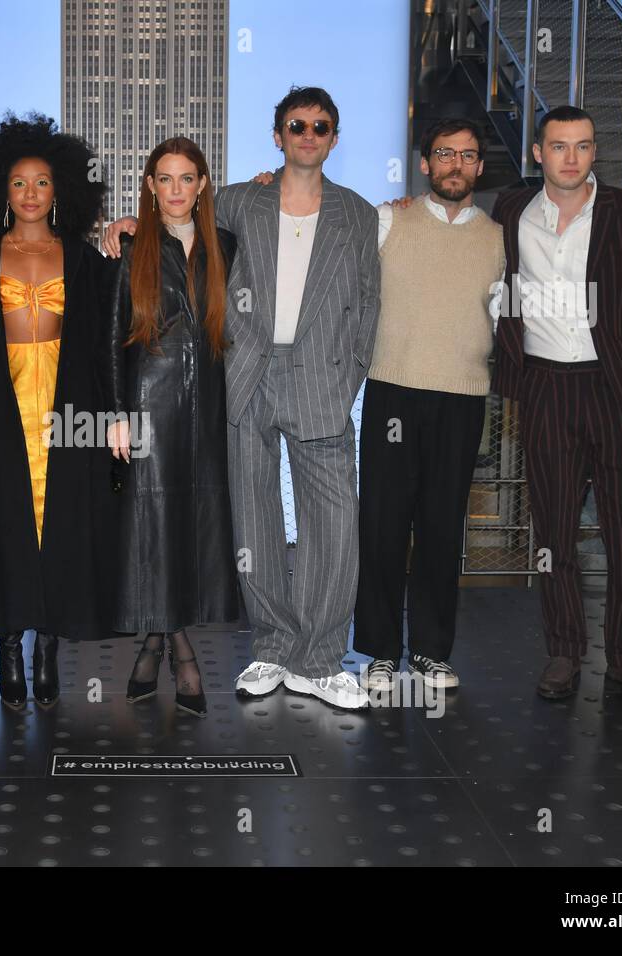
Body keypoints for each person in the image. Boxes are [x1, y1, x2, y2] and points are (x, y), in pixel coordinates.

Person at [105, 87, 381, 709]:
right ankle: (274, 648)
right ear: (277, 134)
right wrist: (122, 224)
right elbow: (175, 217)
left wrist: (349, 379)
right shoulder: (236, 201)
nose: (308, 135)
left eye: (320, 126)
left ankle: (322, 656)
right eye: (296, 125)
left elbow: (369, 306)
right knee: (251, 518)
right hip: (245, 377)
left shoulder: (361, 215)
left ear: (334, 137)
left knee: (333, 525)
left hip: (321, 381)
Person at [0, 112, 118, 709]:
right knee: (4, 525)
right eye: (18, 183)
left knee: (62, 529)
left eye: (41, 182)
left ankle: (47, 646)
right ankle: (9, 645)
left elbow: (106, 345)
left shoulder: (89, 263)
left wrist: (113, 418)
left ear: (60, 189)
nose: (30, 194)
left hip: (69, 405)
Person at [490, 105, 622, 708]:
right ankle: (564, 651)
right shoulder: (512, 211)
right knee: (554, 534)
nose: (572, 157)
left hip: (617, 389)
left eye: (584, 146)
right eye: (559, 146)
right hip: (545, 387)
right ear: (537, 154)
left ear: (596, 153)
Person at [352, 118, 505, 695]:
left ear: (479, 167)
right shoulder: (387, 220)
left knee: (443, 529)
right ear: (425, 163)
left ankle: (432, 653)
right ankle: (381, 652)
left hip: (463, 396)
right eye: (445, 154)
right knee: (384, 526)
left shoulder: (496, 238)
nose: (455, 165)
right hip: (393, 389)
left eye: (467, 156)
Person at [106, 136, 239, 717]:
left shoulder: (226, 246)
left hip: (208, 410)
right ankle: (183, 657)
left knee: (190, 531)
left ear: (203, 184)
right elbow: (111, 337)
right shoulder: (130, 244)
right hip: (147, 406)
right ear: (151, 185)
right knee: (153, 528)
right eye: (165, 179)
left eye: (188, 178)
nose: (177, 189)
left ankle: (153, 645)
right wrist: (114, 413)